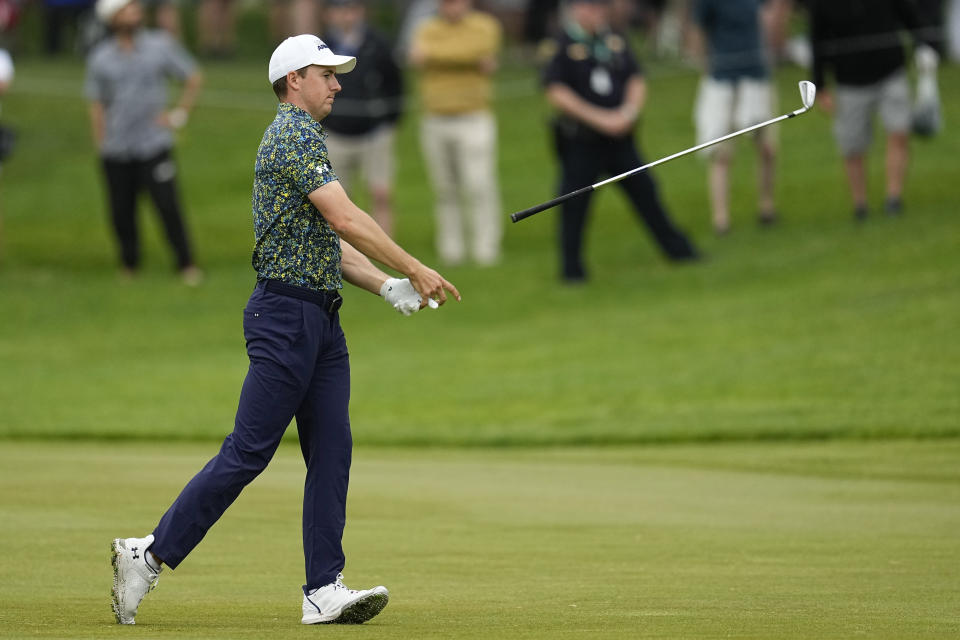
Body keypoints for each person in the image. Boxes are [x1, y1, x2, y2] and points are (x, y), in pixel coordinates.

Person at [109, 33, 461, 626]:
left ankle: (323, 589)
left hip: (318, 318)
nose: (338, 83)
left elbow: (324, 243)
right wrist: (416, 268)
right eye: (327, 73)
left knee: (332, 450)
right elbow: (346, 219)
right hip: (285, 318)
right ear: (295, 78)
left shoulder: (308, 139)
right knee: (249, 452)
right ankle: (148, 554)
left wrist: (385, 285)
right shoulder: (292, 135)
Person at [541, 0, 698, 283]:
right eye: (587, 7)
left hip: (620, 140)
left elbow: (636, 78)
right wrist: (600, 119)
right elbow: (555, 91)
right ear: (575, 10)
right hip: (583, 141)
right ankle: (572, 270)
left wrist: (628, 112)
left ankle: (680, 251)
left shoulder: (614, 40)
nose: (594, 13)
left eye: (599, 7)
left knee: (646, 192)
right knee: (574, 203)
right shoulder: (562, 45)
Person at [85, 0, 203, 284]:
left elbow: (193, 75)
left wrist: (179, 114)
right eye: (127, 9)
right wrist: (101, 142)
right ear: (112, 18)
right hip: (117, 146)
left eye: (136, 8)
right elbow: (96, 103)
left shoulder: (160, 45)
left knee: (168, 205)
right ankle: (129, 265)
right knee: (121, 211)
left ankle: (186, 263)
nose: (134, 14)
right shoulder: (100, 57)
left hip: (154, 144)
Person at [808, 0, 934, 220]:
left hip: (891, 71)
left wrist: (924, 45)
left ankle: (894, 198)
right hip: (848, 80)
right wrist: (820, 85)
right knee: (852, 146)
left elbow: (909, 15)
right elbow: (817, 39)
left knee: (899, 131)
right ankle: (860, 205)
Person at [409, 0, 503, 266]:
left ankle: (486, 247)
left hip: (474, 116)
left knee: (478, 184)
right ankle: (451, 248)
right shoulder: (426, 27)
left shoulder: (484, 26)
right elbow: (416, 57)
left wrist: (436, 57)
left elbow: (481, 53)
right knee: (445, 187)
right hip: (436, 117)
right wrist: (469, 60)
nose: (451, 7)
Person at [690, 0, 781, 235]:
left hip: (756, 77)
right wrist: (706, 66)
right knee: (720, 152)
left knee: (767, 148)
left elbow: (770, 15)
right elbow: (697, 29)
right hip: (722, 81)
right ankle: (721, 219)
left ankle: (766, 207)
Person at [321, 0, 404, 236]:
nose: (347, 16)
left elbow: (395, 84)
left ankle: (385, 251)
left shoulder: (378, 44)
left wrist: (389, 120)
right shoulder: (321, 47)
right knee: (336, 199)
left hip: (374, 132)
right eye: (340, 10)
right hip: (334, 133)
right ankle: (341, 255)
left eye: (352, 9)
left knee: (381, 193)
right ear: (329, 15)